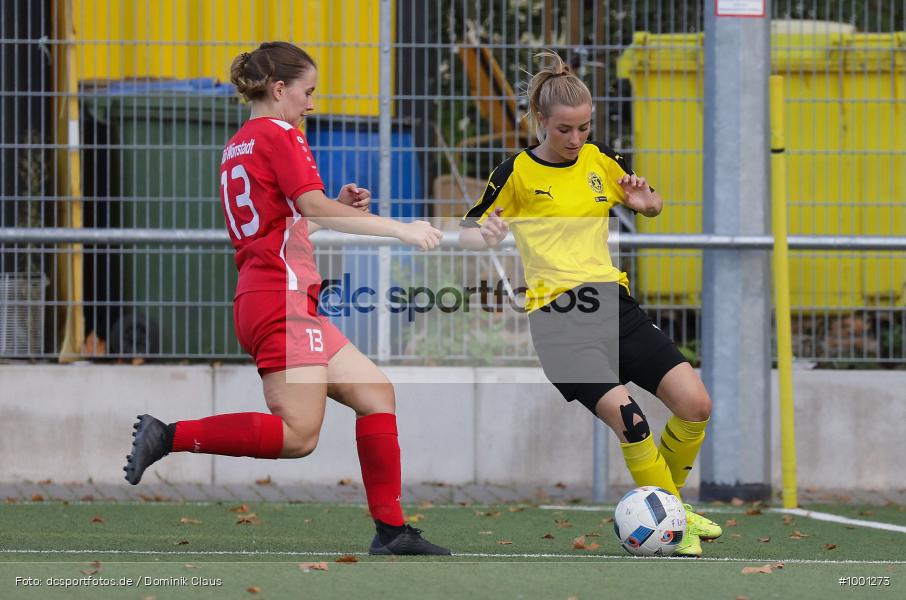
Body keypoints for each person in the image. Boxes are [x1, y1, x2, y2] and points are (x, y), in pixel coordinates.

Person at [124, 41, 449, 556]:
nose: (312, 104)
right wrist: (399, 229)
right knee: (299, 436)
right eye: (308, 91)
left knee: (376, 394)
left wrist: (324, 210)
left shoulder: (239, 143)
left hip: (278, 297)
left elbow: (284, 220)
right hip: (281, 300)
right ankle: (167, 435)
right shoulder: (282, 134)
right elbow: (306, 203)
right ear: (279, 90)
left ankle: (392, 531)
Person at [459, 51, 721, 557]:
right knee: (632, 419)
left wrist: (649, 204)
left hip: (614, 308)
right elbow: (468, 232)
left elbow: (651, 200)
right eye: (565, 130)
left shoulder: (600, 160)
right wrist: (486, 234)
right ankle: (672, 517)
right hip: (560, 321)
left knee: (696, 403)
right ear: (540, 121)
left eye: (584, 127)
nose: (576, 139)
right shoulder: (514, 171)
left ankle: (669, 507)